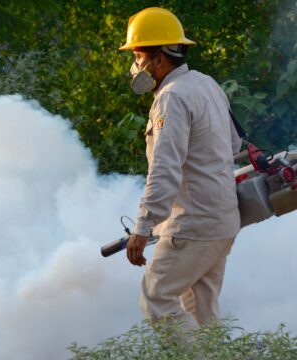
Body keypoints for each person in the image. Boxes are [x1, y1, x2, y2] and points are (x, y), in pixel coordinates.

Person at [119, 7, 242, 334]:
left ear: (160, 59)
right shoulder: (205, 83)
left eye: (138, 55)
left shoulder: (171, 98)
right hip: (222, 221)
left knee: (156, 298)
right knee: (201, 313)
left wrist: (144, 225)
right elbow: (233, 146)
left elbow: (165, 169)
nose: (135, 65)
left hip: (194, 226)